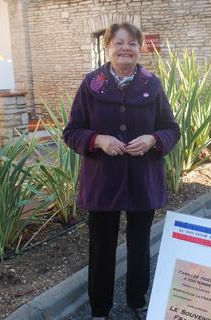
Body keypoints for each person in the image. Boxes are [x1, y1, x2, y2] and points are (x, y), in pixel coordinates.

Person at [63, 22, 180, 320]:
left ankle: (137, 302)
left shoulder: (151, 85)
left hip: (143, 180)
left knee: (140, 246)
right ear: (108, 48)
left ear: (140, 49)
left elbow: (171, 129)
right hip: (103, 182)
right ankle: (100, 309)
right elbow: (72, 131)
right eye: (118, 42)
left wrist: (153, 139)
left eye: (131, 43)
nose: (125, 48)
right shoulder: (91, 84)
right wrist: (97, 139)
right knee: (102, 248)